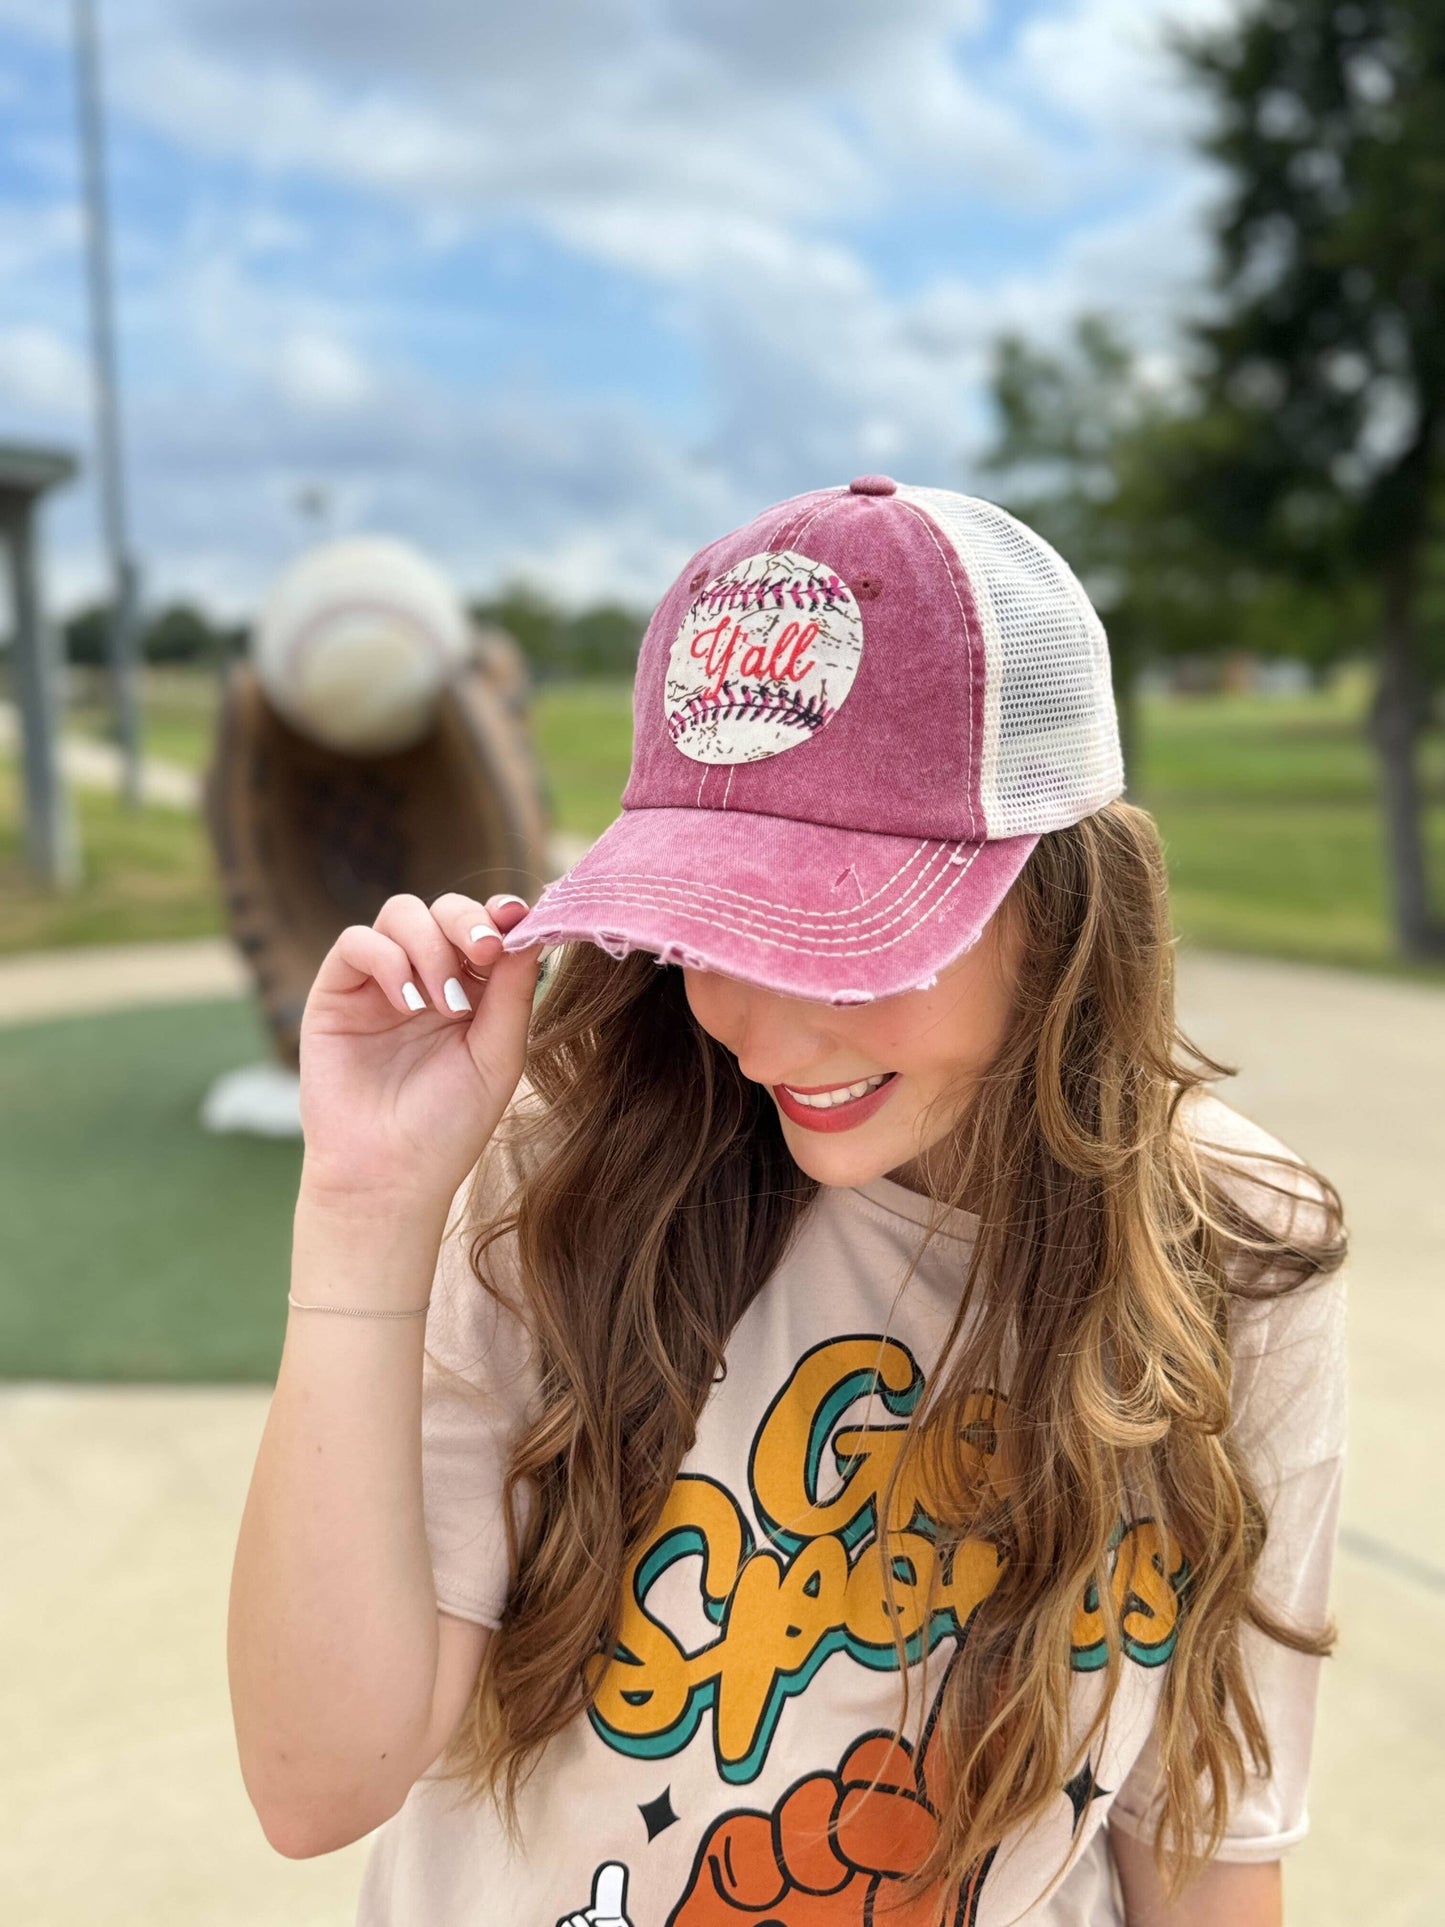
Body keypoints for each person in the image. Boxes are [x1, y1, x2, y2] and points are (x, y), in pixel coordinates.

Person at [227, 478, 1348, 1927]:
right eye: (707, 924)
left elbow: (1197, 1831)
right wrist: (365, 1213)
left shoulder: (1240, 1250)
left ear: (1065, 903)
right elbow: (316, 1782)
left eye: (836, 936)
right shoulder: (555, 1182)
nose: (757, 1029)